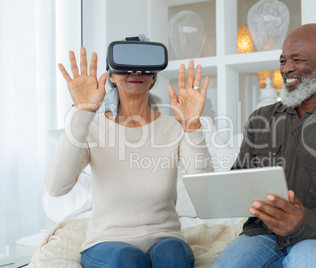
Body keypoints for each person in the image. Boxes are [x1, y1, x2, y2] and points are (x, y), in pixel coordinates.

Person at [211, 23, 316, 268]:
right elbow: (240, 179)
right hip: (266, 234)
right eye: (283, 60)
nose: (286, 68)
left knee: (306, 259)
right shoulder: (261, 119)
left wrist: (303, 222)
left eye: (297, 59)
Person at [45, 37, 213, 268]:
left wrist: (192, 126)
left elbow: (206, 192)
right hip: (106, 243)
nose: (136, 71)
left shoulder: (175, 126)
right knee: (127, 259)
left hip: (166, 239)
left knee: (173, 256)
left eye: (145, 66)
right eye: (125, 64)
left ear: (153, 75)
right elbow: (57, 187)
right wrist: (82, 113)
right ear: (111, 75)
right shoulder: (92, 127)